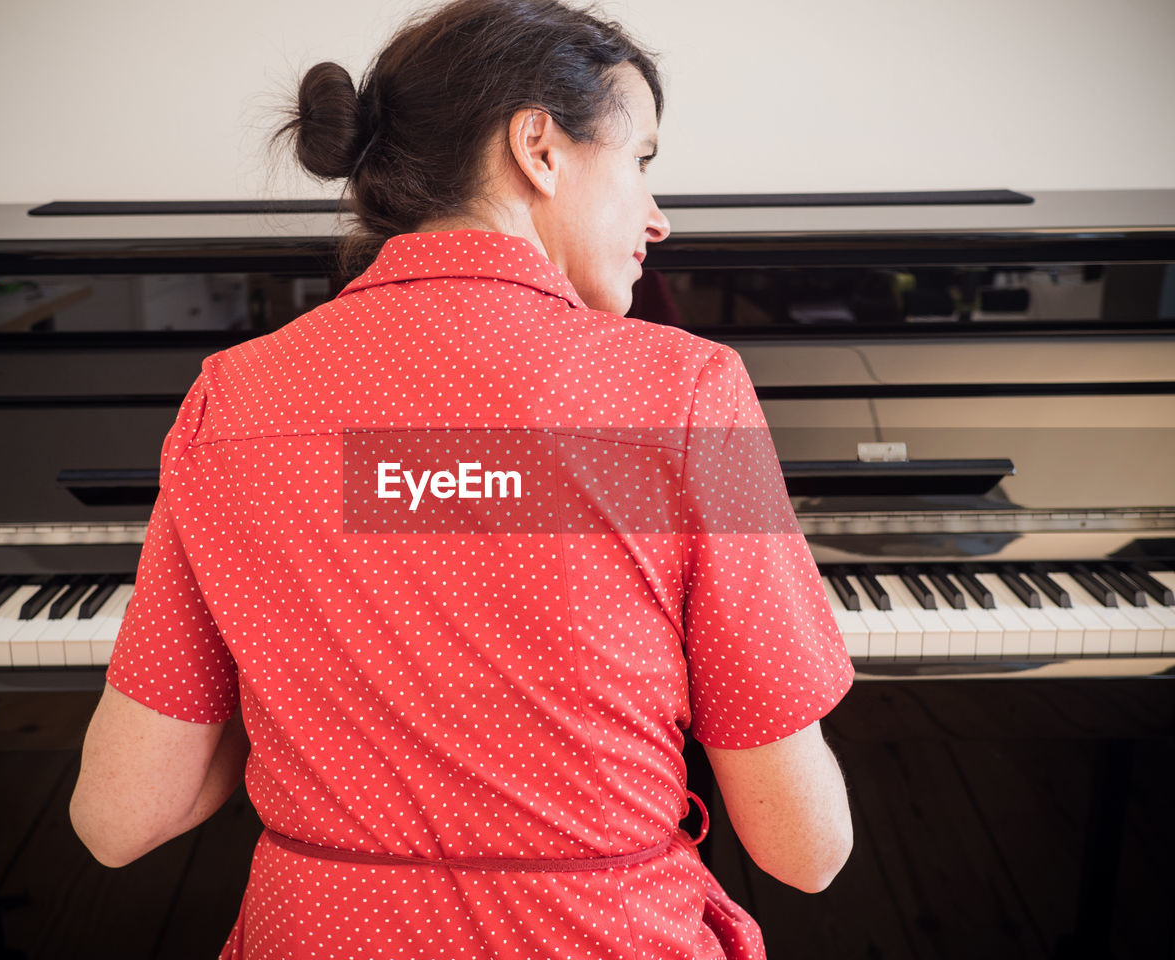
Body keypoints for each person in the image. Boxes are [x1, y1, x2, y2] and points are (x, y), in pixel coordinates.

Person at [69, 1, 855, 957]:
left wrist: (311, 675)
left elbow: (119, 817)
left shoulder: (230, 397)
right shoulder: (685, 390)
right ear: (539, 147)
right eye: (640, 161)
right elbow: (805, 847)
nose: (658, 215)